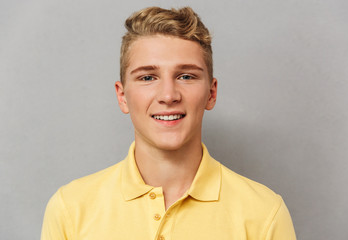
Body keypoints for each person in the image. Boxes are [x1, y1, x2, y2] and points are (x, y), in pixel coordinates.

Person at [41, 6, 296, 240]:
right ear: (122, 96)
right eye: (148, 77)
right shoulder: (70, 209)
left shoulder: (264, 214)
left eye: (186, 76)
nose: (168, 95)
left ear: (211, 93)